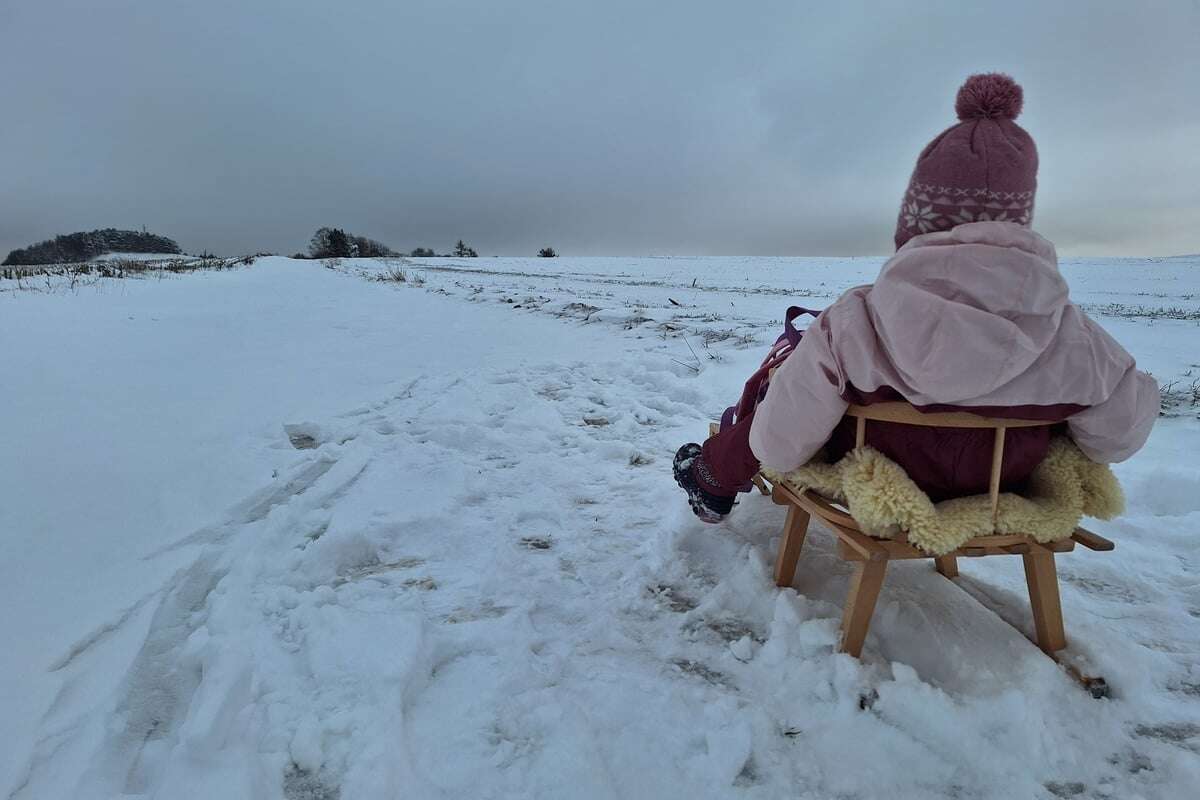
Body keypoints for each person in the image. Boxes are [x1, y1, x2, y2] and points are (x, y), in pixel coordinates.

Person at [674, 73, 1158, 523]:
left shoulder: (854, 321)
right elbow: (1116, 439)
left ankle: (713, 476)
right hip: (1001, 488)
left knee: (783, 396)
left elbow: (779, 449)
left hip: (879, 485)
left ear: (917, 219)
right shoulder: (1076, 338)